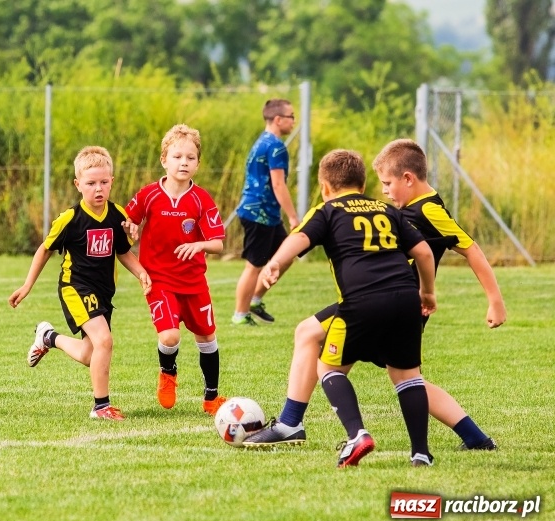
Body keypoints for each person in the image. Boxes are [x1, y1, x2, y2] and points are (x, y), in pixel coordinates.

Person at [244, 138, 504, 452]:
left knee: (312, 337)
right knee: (406, 379)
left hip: (383, 299)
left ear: (408, 179)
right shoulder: (400, 211)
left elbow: (470, 249)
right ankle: (475, 437)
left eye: (388, 183)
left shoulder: (429, 210)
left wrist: (495, 300)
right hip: (400, 303)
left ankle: (292, 424)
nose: (384, 191)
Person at [249, 148, 438, 468]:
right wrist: (427, 293)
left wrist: (275, 264)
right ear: (363, 184)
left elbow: (298, 240)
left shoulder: (328, 210)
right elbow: (423, 252)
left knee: (329, 368)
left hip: (361, 302)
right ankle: (421, 453)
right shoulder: (387, 209)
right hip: (406, 298)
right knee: (408, 377)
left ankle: (356, 435)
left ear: (325, 186)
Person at [9, 146, 151, 421]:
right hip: (75, 287)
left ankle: (48, 337)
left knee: (90, 353)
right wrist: (27, 286)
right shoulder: (70, 219)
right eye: (91, 183)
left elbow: (123, 252)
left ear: (111, 181)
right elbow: (45, 249)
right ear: (78, 185)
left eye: (104, 182)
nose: (98, 189)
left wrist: (141, 272)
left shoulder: (116, 215)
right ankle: (101, 406)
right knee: (104, 341)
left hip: (103, 293)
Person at [123, 124, 228, 416]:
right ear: (164, 160)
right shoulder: (148, 195)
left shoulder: (201, 200)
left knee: (207, 338)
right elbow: (128, 221)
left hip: (194, 282)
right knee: (169, 337)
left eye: (191, 157)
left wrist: (200, 246)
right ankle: (168, 374)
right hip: (159, 280)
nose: (184, 162)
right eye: (177, 156)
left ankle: (211, 398)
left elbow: (218, 243)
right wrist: (130, 227)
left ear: (198, 162)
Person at [232, 99, 301, 326]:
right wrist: (292, 217)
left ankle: (255, 298)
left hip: (267, 215)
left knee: (287, 254)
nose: (293, 120)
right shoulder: (276, 146)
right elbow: (278, 185)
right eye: (291, 116)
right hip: (258, 214)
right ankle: (240, 315)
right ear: (278, 119)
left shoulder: (263, 142)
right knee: (255, 264)